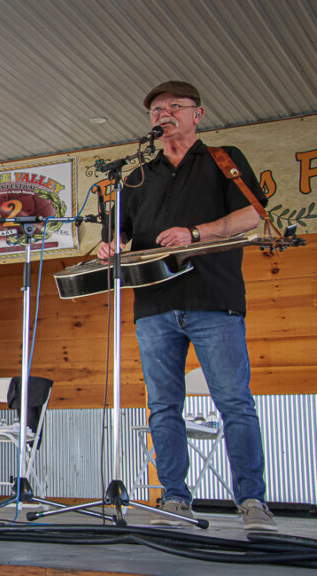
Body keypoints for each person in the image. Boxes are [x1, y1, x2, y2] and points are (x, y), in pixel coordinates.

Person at [98, 81, 276, 531]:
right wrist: (109, 247)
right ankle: (174, 499)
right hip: (154, 304)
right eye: (156, 109)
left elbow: (252, 215)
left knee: (234, 402)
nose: (163, 114)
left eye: (174, 106)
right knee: (162, 407)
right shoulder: (135, 176)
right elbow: (118, 235)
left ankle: (252, 501)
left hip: (214, 300)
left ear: (198, 113)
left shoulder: (223, 159)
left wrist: (195, 234)